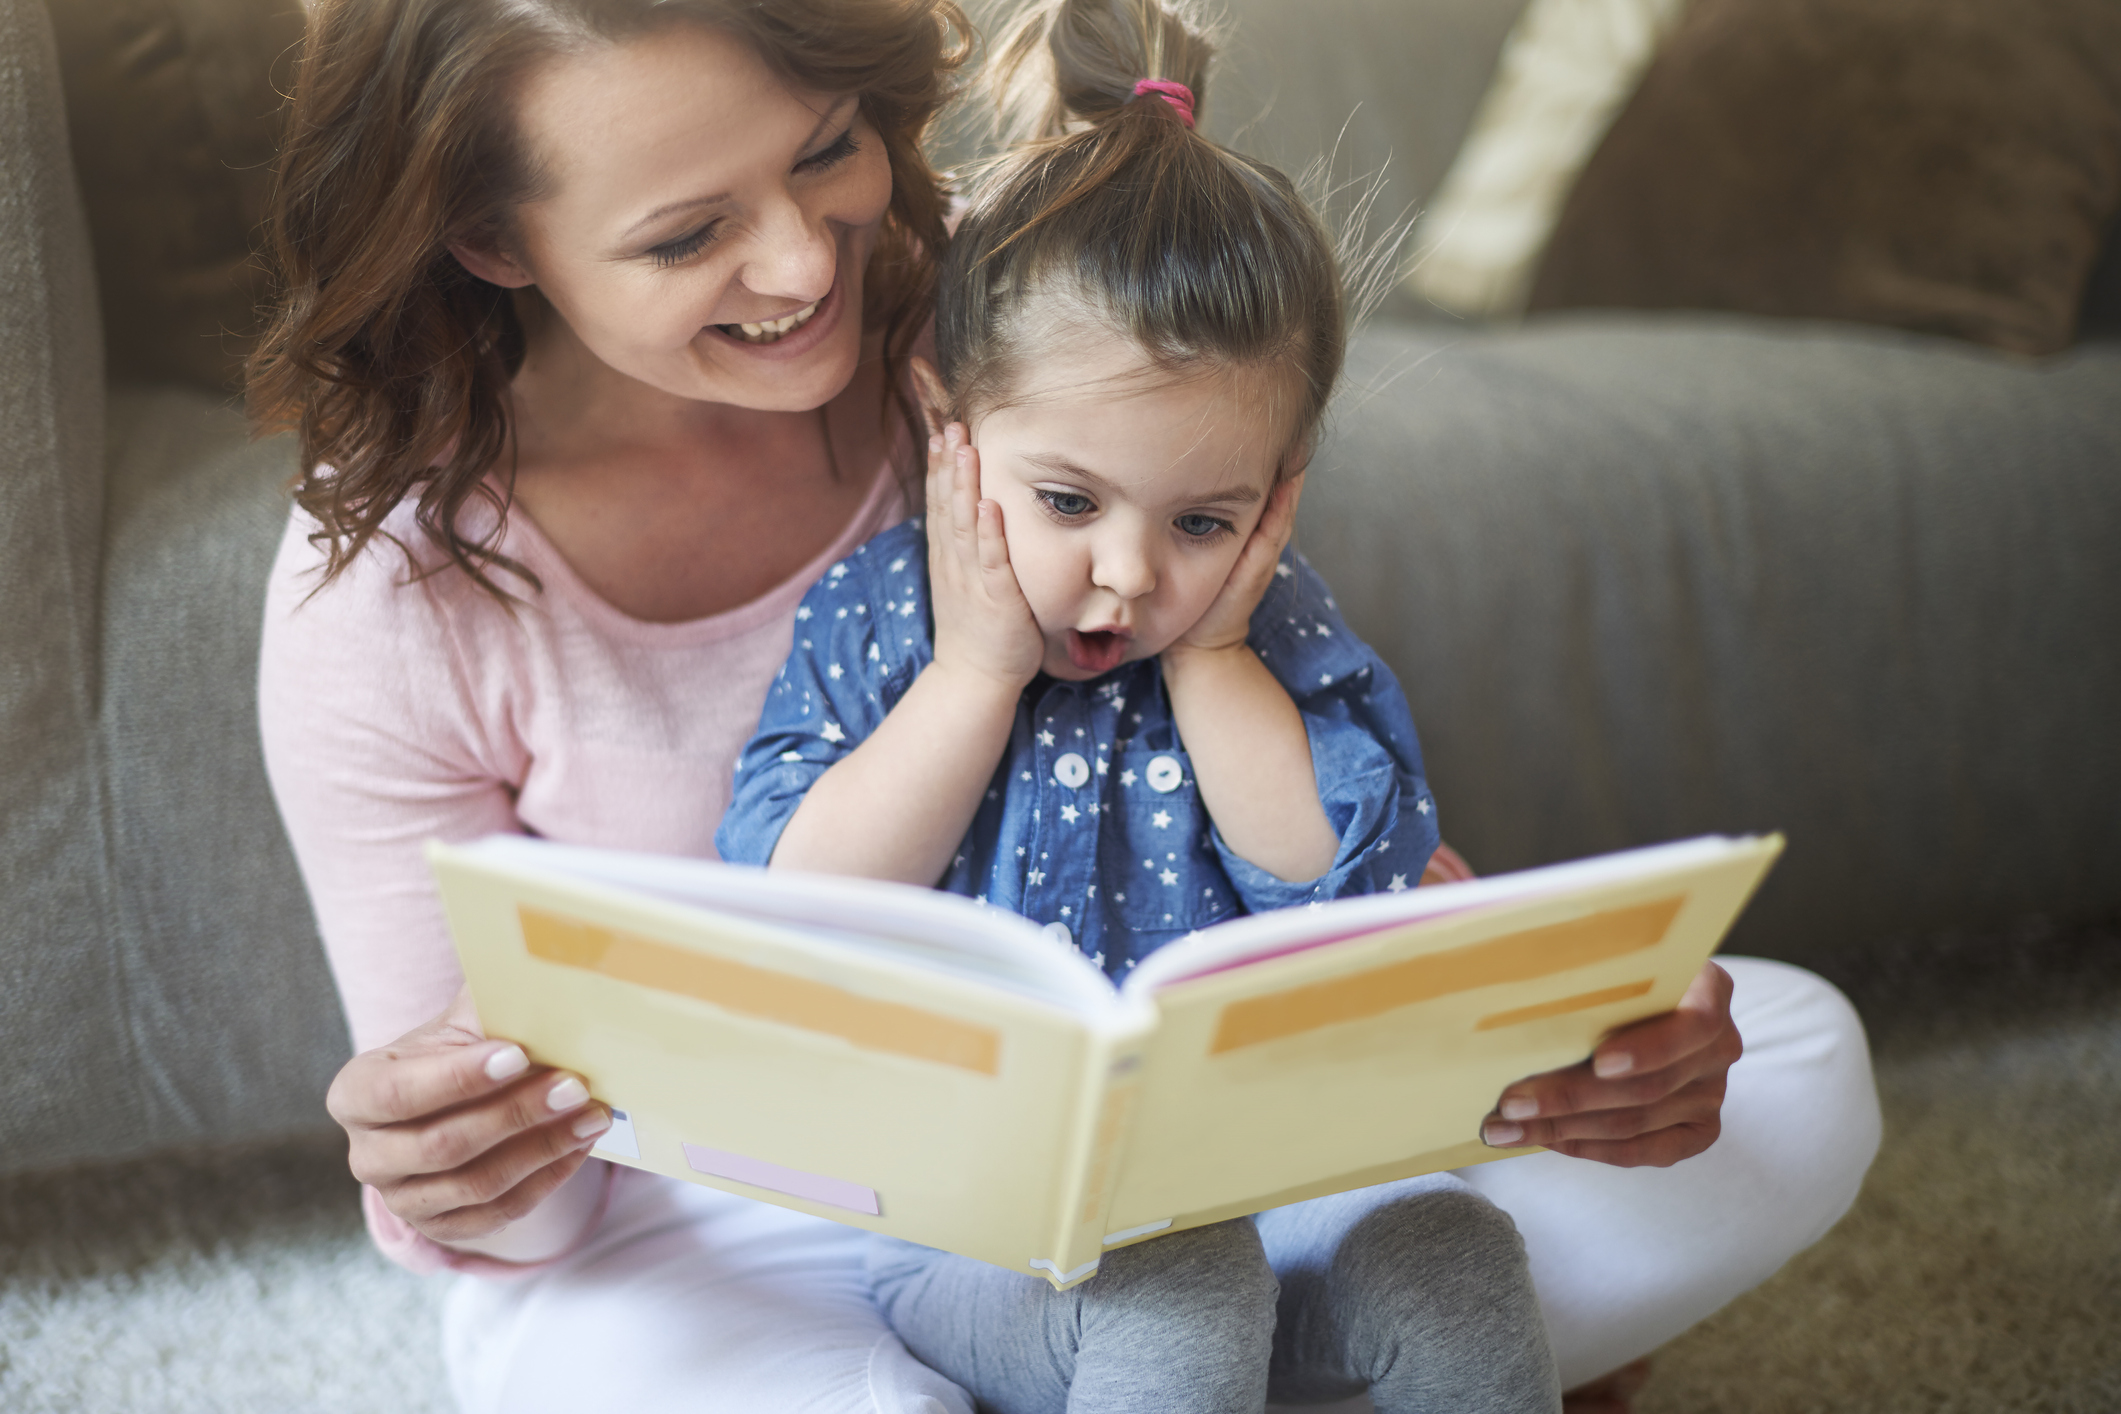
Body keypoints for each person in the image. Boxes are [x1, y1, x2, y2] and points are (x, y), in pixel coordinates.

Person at [248, 0, 1881, 1410]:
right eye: (686, 235)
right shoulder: (392, 603)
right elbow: (529, 1204)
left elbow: (1283, 791)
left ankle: (1217, 1351)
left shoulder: (1022, 315)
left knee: (1794, 1062)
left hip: (1196, 1153)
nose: (805, 262)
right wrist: (462, 1159)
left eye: (825, 150)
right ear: (493, 240)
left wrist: (1555, 1033)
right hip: (736, 1217)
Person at [715, 4, 1559, 1409]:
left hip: (1266, 1181)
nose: (1126, 575)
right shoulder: (880, 621)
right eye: (1065, 502)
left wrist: (1218, 656)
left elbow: (1329, 874)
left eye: (1203, 517)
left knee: (1448, 1246)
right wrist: (977, 673)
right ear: (945, 418)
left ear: (1278, 490)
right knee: (1172, 1267)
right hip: (963, 1229)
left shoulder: (1261, 630)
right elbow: (795, 902)